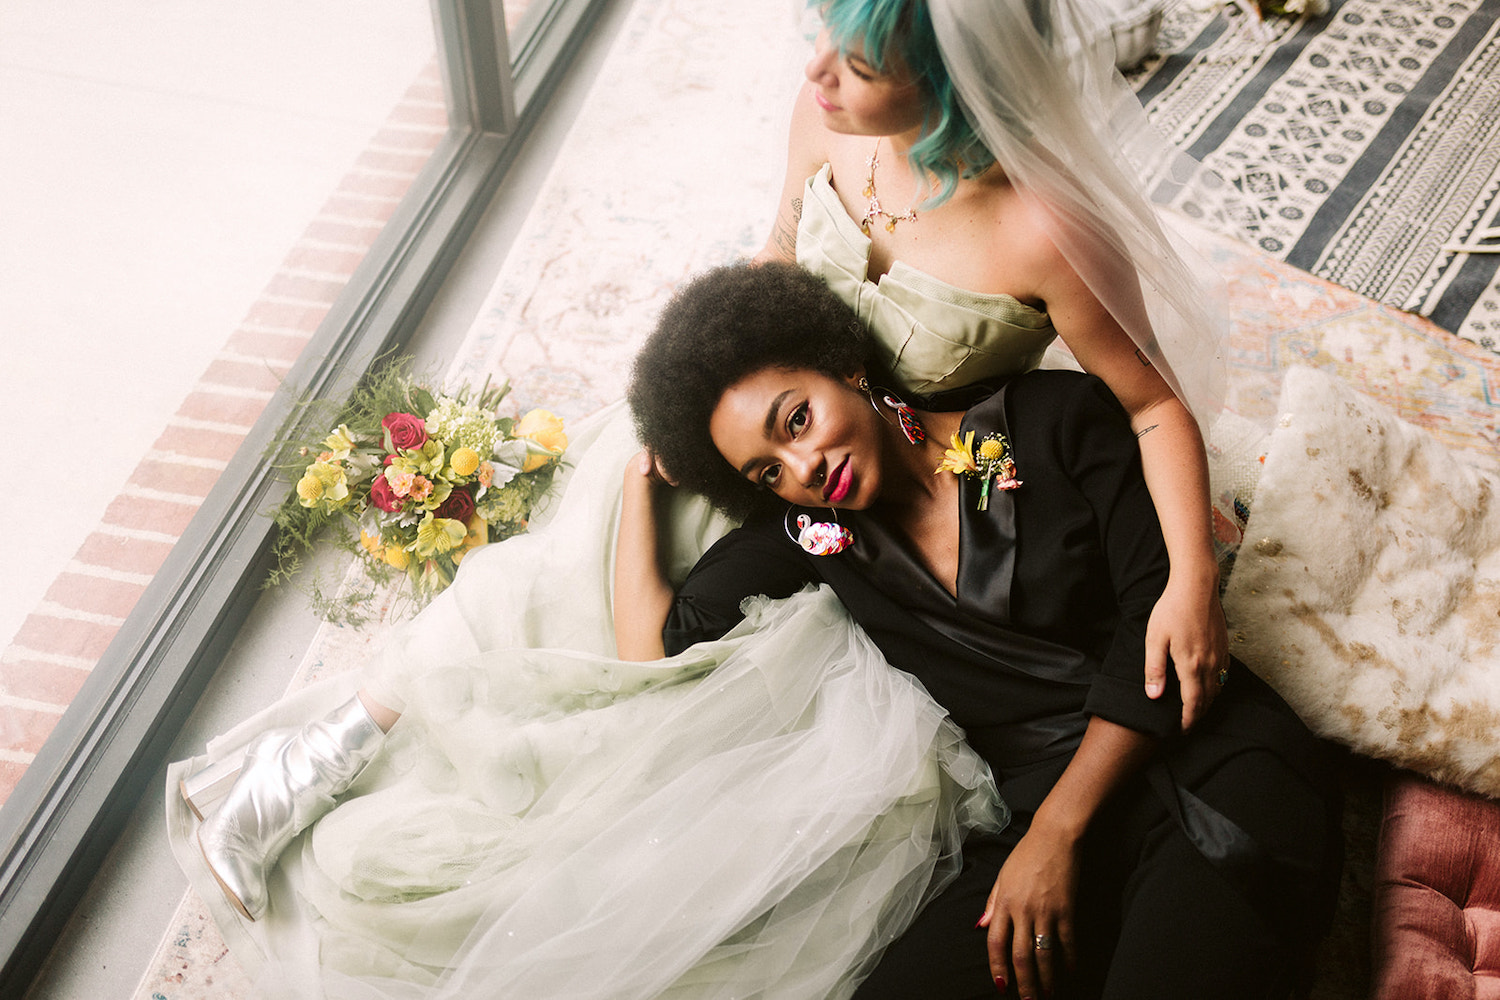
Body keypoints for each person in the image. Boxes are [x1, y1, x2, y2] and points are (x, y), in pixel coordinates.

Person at [627, 262, 1340, 1000]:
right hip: (1033, 821)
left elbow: (1158, 628)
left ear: (845, 364)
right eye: (766, 473)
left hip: (1207, 763)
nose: (802, 467)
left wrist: (1056, 836)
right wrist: (636, 490)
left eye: (796, 419)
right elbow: (659, 647)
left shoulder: (1055, 417)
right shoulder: (809, 533)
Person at [168, 391, 1007, 997]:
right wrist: (693, 423)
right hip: (762, 410)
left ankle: (316, 761)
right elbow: (770, 262)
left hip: (866, 423)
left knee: (660, 712)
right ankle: (300, 770)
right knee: (561, 572)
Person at [763, 0, 1233, 731]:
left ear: (949, 78)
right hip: (802, 431)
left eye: (858, 65)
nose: (815, 69)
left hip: (952, 474)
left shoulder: (1047, 231)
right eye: (827, 29)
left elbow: (1154, 406)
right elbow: (779, 259)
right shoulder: (824, 114)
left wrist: (1192, 577)